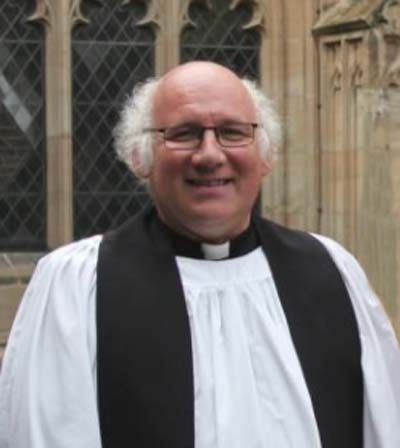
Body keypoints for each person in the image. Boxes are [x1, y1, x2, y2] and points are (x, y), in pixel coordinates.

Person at [0, 61, 399, 448]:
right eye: (184, 133)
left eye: (232, 132)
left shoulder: (330, 270)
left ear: (265, 156)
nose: (209, 155)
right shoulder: (77, 285)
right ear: (141, 158)